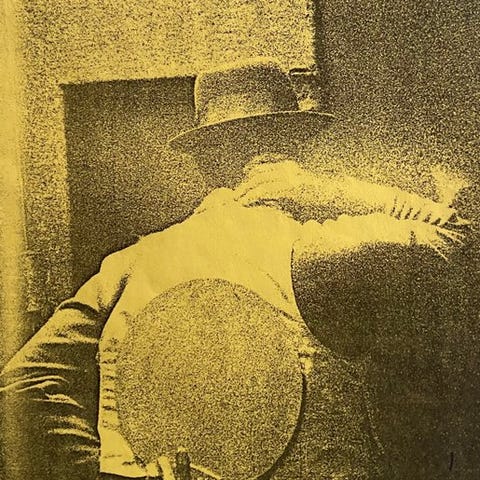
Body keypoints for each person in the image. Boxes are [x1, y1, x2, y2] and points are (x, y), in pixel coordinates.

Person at [0, 58, 469, 480]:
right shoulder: (318, 251)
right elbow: (461, 237)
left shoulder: (128, 266)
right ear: (296, 151)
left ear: (205, 163)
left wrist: (106, 472)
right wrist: (334, 191)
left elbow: (23, 383)